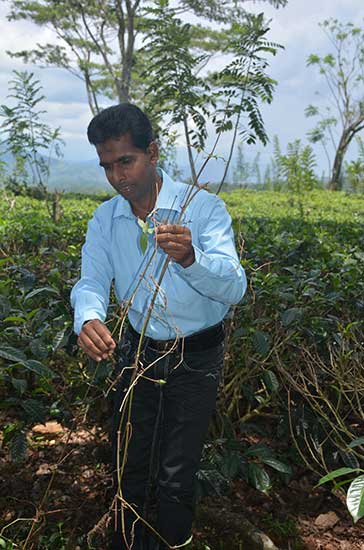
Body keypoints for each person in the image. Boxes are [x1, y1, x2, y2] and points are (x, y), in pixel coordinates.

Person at [71, 103, 247, 550]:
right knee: (129, 458)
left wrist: (191, 258)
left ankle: (173, 542)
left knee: (176, 470)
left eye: (125, 161)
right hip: (136, 351)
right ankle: (126, 541)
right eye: (107, 166)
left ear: (151, 152)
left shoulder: (201, 209)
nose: (116, 177)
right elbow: (91, 279)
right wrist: (88, 315)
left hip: (197, 354)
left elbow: (234, 286)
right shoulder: (105, 219)